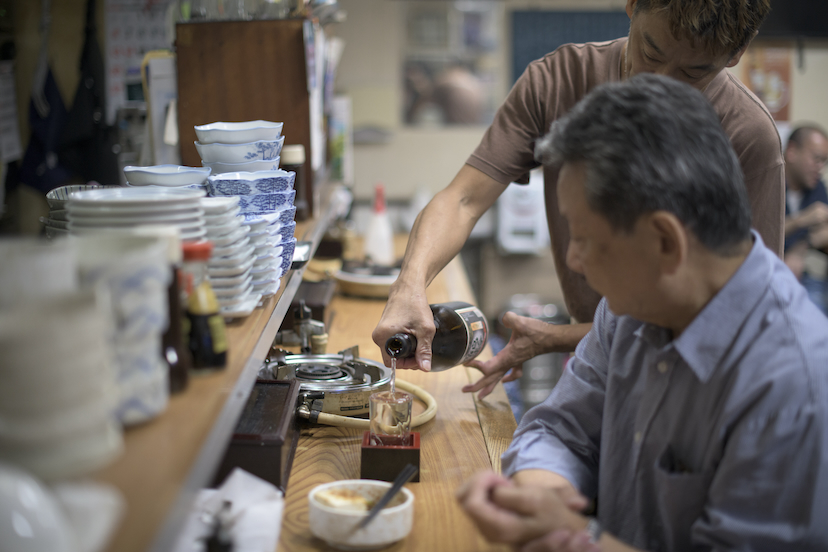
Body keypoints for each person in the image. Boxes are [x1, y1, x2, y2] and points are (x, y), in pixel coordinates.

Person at [456, 74, 828, 551]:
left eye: (586, 239)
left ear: (666, 243)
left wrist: (571, 537)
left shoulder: (792, 388)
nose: (572, 260)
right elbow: (561, 428)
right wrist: (539, 498)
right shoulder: (632, 310)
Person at [372, 0, 784, 399]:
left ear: (736, 54)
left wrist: (557, 338)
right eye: (650, 53)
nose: (658, 83)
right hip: (595, 366)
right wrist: (408, 286)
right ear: (632, 4)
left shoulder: (748, 138)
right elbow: (462, 199)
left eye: (694, 72)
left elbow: (736, 313)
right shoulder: (560, 80)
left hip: (690, 381)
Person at [782, 125, 828, 315]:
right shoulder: (767, 183)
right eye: (816, 159)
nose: (821, 168)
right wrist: (802, 220)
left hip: (803, 277)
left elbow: (824, 234)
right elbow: (754, 232)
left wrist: (799, 250)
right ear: (792, 152)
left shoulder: (817, 188)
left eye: (824, 161)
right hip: (767, 274)